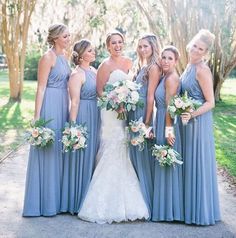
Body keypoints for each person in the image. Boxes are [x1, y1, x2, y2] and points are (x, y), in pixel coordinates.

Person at [78, 31, 149, 224]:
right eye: (113, 43)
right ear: (108, 46)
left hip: (126, 112)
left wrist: (127, 101)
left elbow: (133, 86)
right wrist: (114, 101)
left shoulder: (129, 62)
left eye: (120, 42)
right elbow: (100, 91)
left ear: (123, 44)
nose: (117, 45)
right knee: (111, 146)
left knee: (125, 148)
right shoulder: (104, 65)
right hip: (110, 113)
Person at [23, 23, 71, 216]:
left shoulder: (64, 57)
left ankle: (56, 201)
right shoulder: (47, 57)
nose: (68, 39)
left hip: (62, 103)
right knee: (47, 150)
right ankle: (42, 203)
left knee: (58, 149)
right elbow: (40, 88)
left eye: (69, 35)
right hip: (50, 105)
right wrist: (37, 118)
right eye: (65, 36)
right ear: (55, 38)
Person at [180, 29, 221, 225]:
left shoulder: (202, 70)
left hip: (197, 122)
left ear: (205, 53)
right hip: (187, 121)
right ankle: (188, 208)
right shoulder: (189, 65)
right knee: (188, 163)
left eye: (201, 48)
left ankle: (200, 212)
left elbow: (210, 102)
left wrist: (192, 113)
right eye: (195, 45)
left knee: (197, 163)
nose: (196, 50)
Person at [60, 39, 100, 214]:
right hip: (83, 115)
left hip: (96, 115)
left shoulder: (93, 70)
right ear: (82, 54)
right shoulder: (77, 74)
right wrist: (73, 128)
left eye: (93, 50)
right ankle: (76, 201)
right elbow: (74, 102)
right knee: (81, 156)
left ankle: (89, 200)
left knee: (92, 155)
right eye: (90, 51)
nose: (94, 53)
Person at [128, 34, 161, 217]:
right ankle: (137, 199)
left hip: (142, 115)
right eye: (139, 46)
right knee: (135, 155)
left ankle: (147, 202)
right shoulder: (143, 65)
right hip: (134, 112)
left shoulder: (154, 68)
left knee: (142, 157)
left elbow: (150, 97)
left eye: (145, 46)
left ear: (153, 47)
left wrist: (146, 124)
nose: (142, 49)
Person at [152, 46, 184, 222]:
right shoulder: (164, 76)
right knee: (163, 162)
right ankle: (163, 207)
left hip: (167, 123)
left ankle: (169, 210)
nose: (165, 61)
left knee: (167, 161)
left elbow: (170, 109)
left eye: (170, 58)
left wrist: (169, 131)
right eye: (163, 57)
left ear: (176, 61)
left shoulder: (171, 79)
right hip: (161, 122)